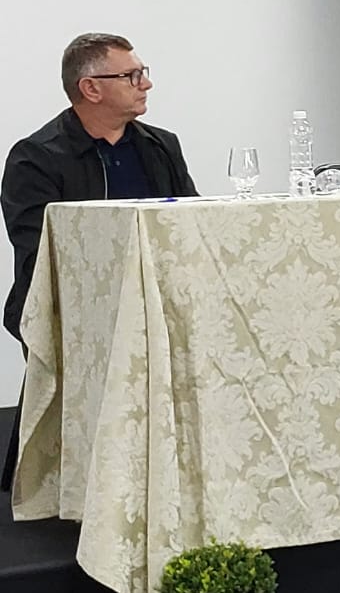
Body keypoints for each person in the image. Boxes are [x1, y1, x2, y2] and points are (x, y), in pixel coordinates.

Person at [2, 33, 198, 491]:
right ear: (91, 88)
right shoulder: (35, 158)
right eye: (132, 75)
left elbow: (187, 221)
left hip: (154, 305)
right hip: (70, 313)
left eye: (143, 73)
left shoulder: (160, 146)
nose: (145, 84)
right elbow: (38, 249)